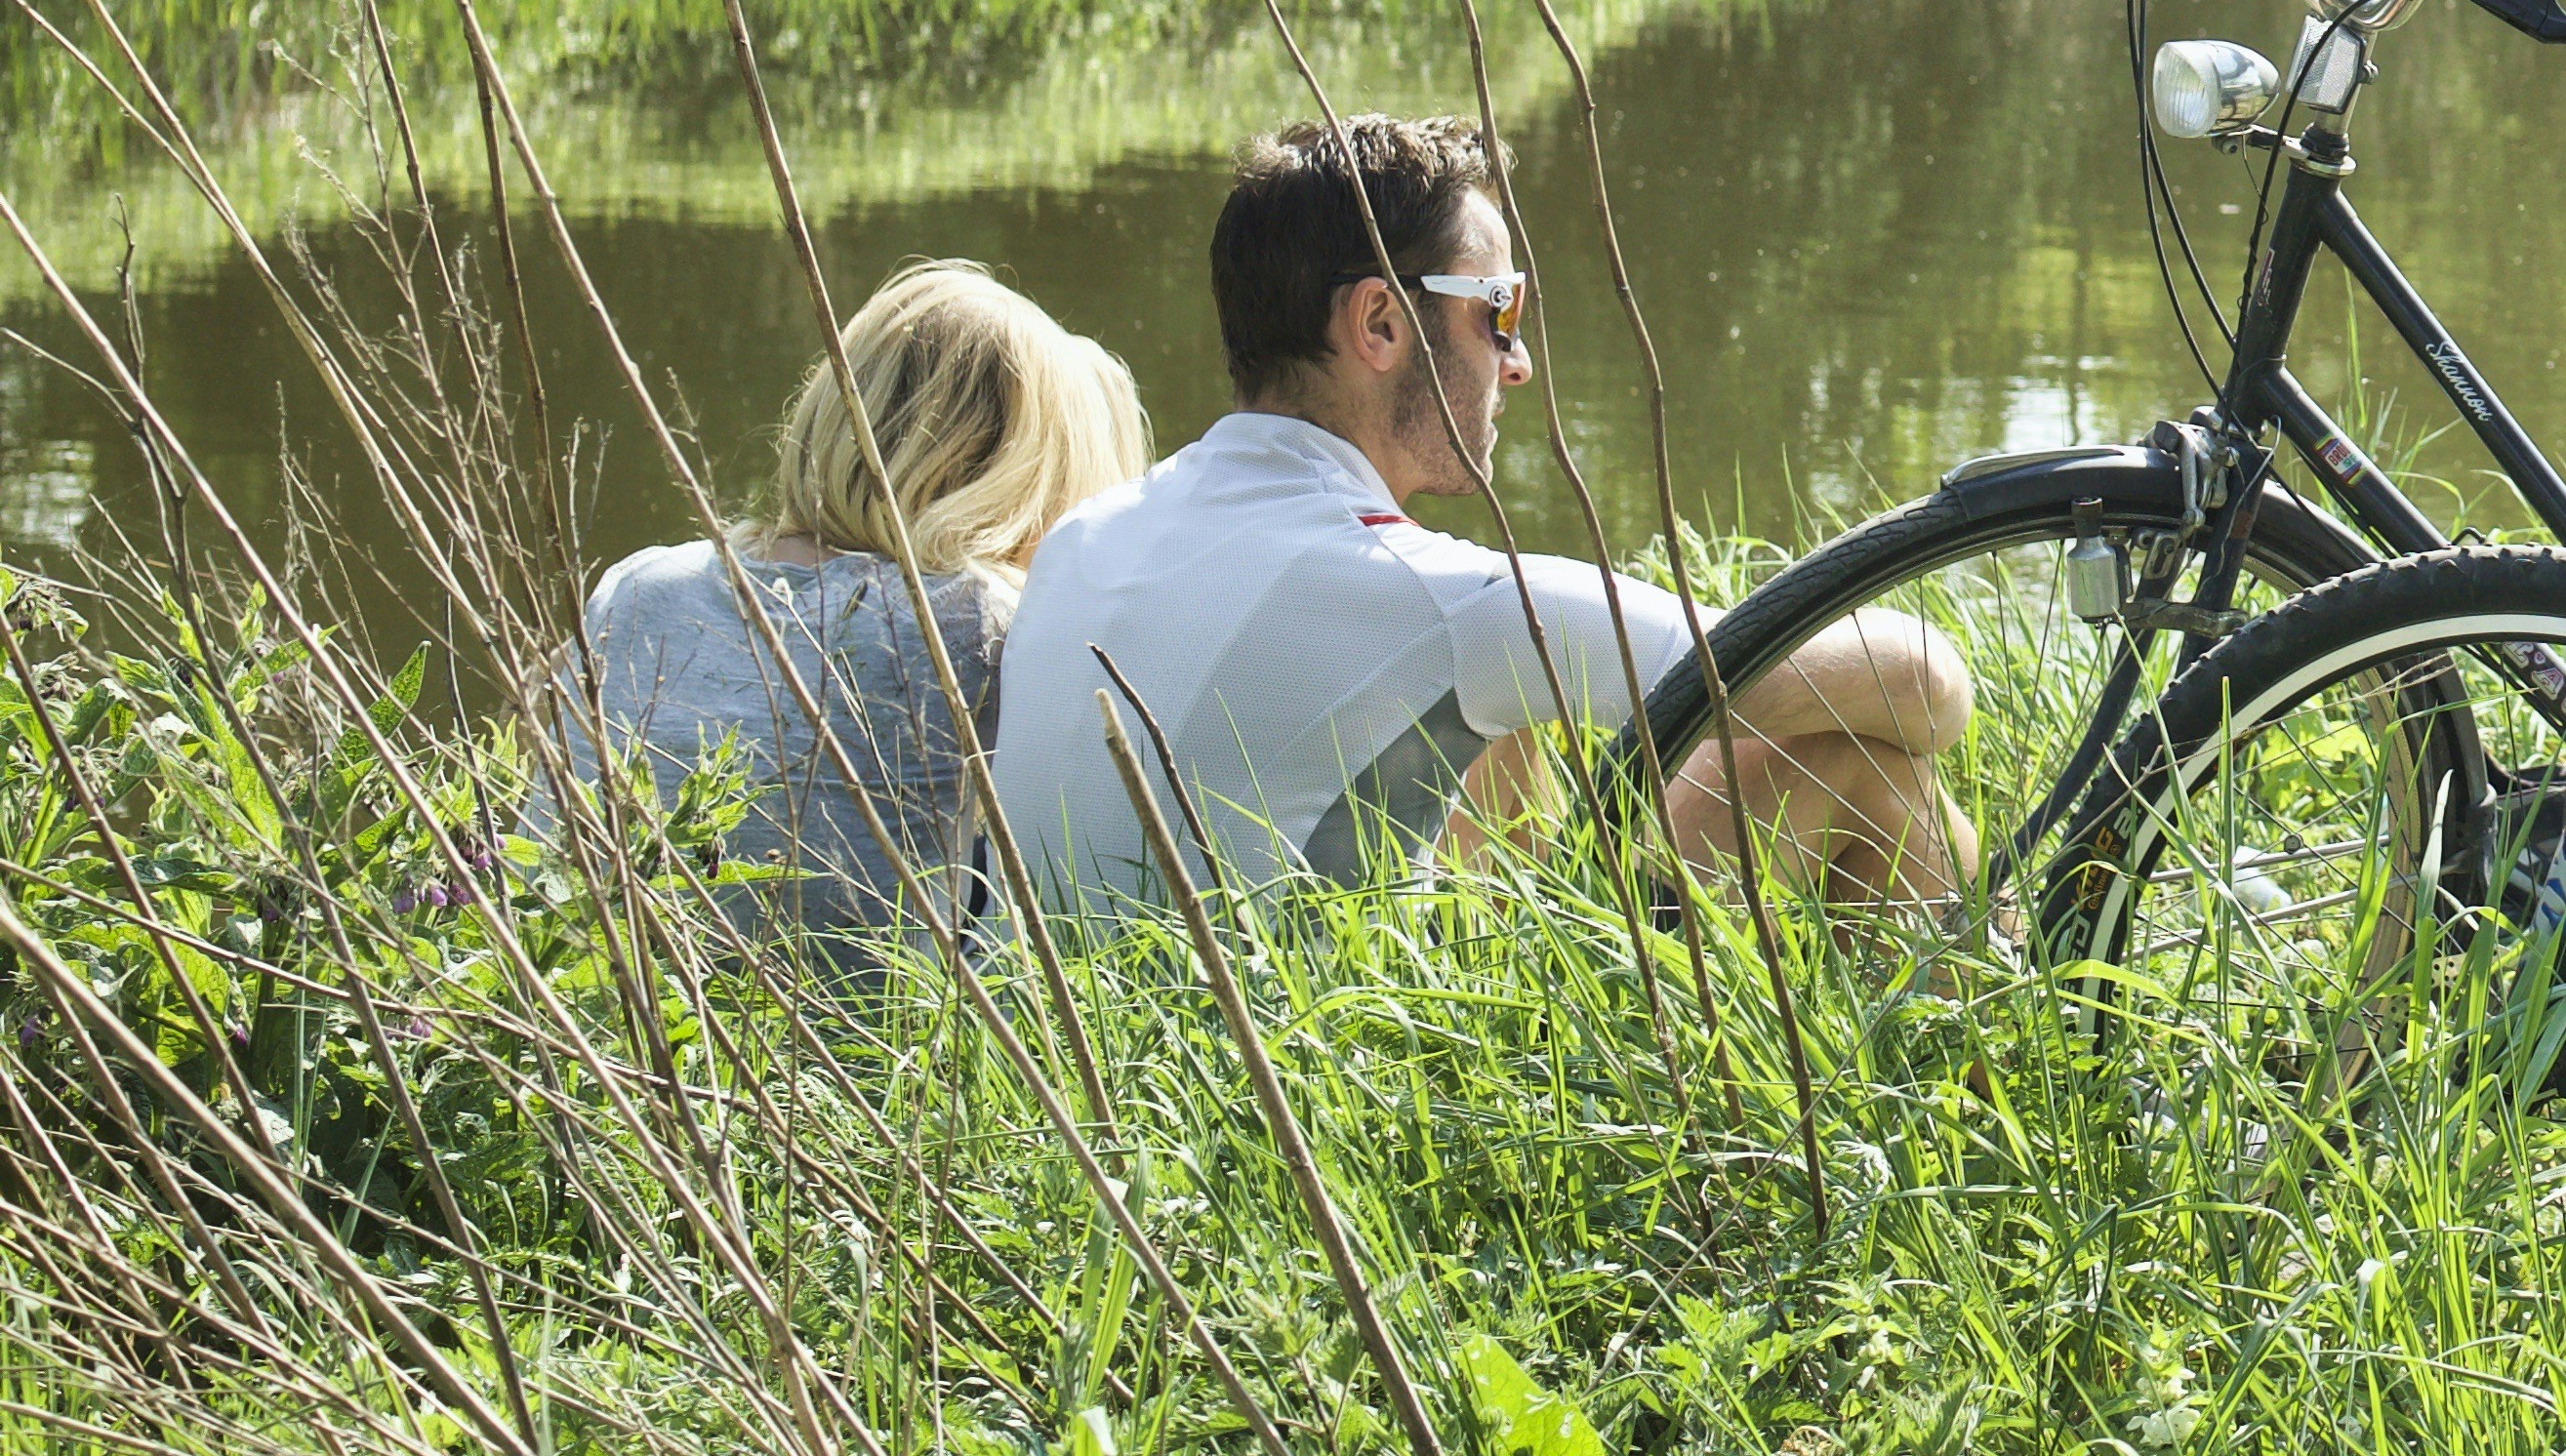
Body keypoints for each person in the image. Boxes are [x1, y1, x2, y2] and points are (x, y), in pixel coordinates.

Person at [986, 113, 1970, 924]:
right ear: (1378, 324)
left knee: (1510, 725)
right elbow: (1924, 687)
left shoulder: (1093, 532)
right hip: (1269, 1099)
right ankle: (1997, 1074)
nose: (1518, 360)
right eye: (1497, 309)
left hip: (1077, 1077)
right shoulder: (1428, 602)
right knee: (1861, 766)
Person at [560, 262, 1152, 944]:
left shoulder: (636, 590)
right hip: (857, 1046)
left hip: (589, 1015)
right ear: (1021, 476)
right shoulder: (980, 625)